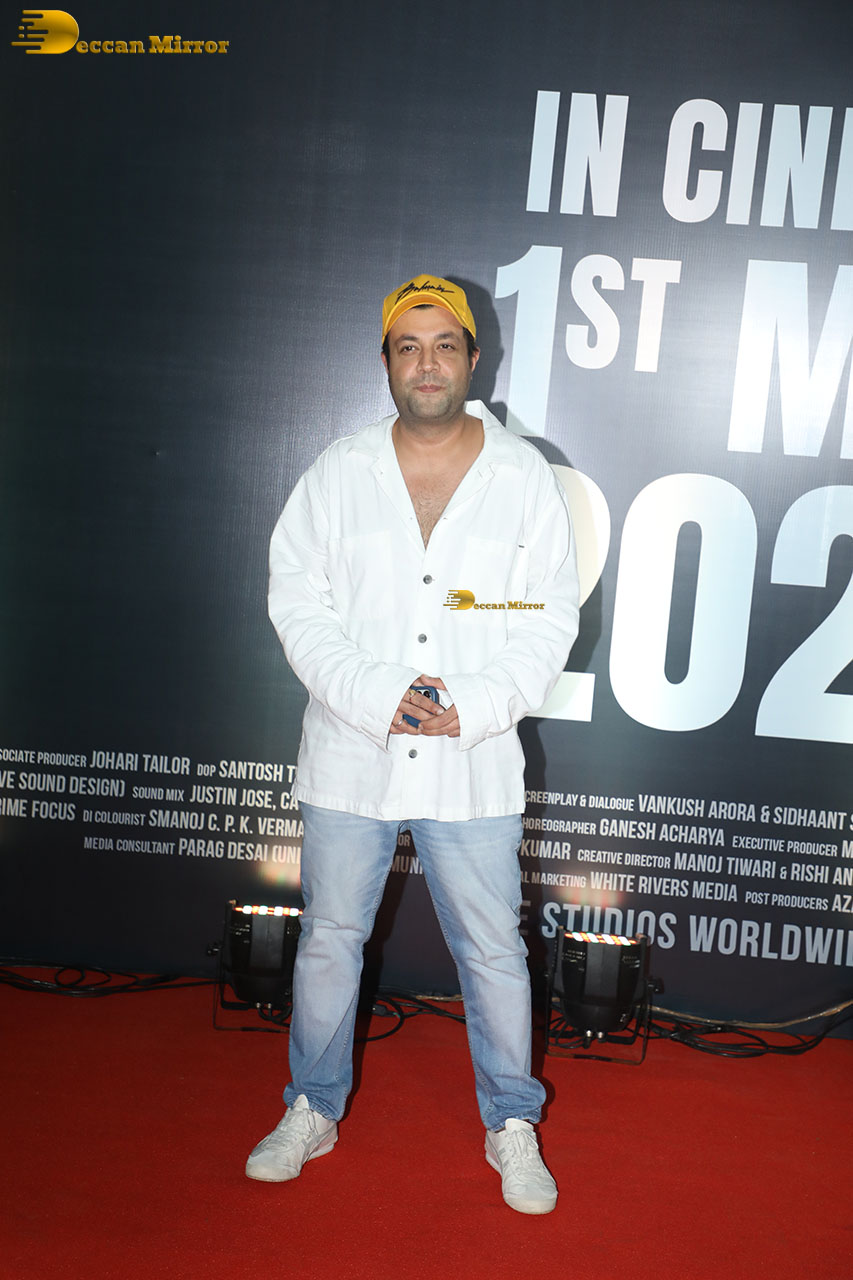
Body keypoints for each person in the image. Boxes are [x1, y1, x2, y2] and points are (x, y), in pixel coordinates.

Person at [248, 274, 580, 1214]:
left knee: (494, 952)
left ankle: (511, 1123)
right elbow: (296, 604)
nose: (426, 363)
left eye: (443, 345)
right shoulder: (338, 471)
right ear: (387, 362)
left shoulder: (523, 476)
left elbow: (549, 616)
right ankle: (311, 1107)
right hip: (351, 753)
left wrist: (469, 704)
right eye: (407, 346)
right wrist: (377, 696)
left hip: (472, 761)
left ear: (473, 359)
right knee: (329, 942)